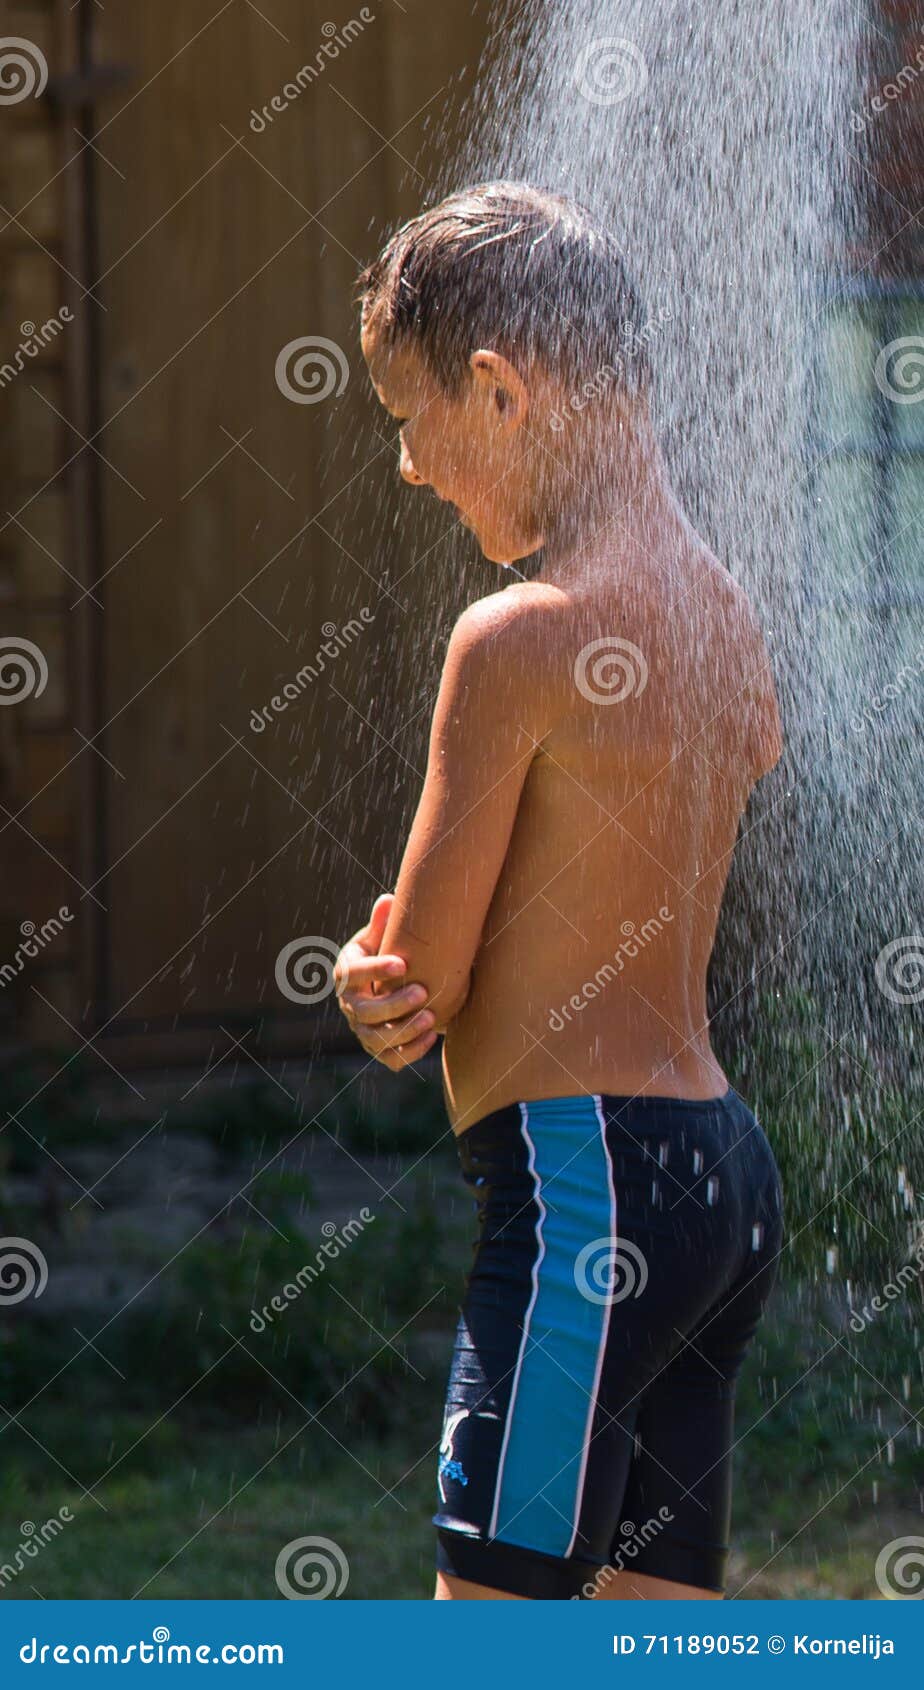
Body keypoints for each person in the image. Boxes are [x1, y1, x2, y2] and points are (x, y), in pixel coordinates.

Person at [334, 181, 784, 1602]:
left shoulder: (516, 640)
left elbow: (427, 982)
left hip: (585, 1185)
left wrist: (368, 981)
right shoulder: (726, 619)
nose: (410, 466)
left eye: (410, 417)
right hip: (719, 1176)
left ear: (500, 388)